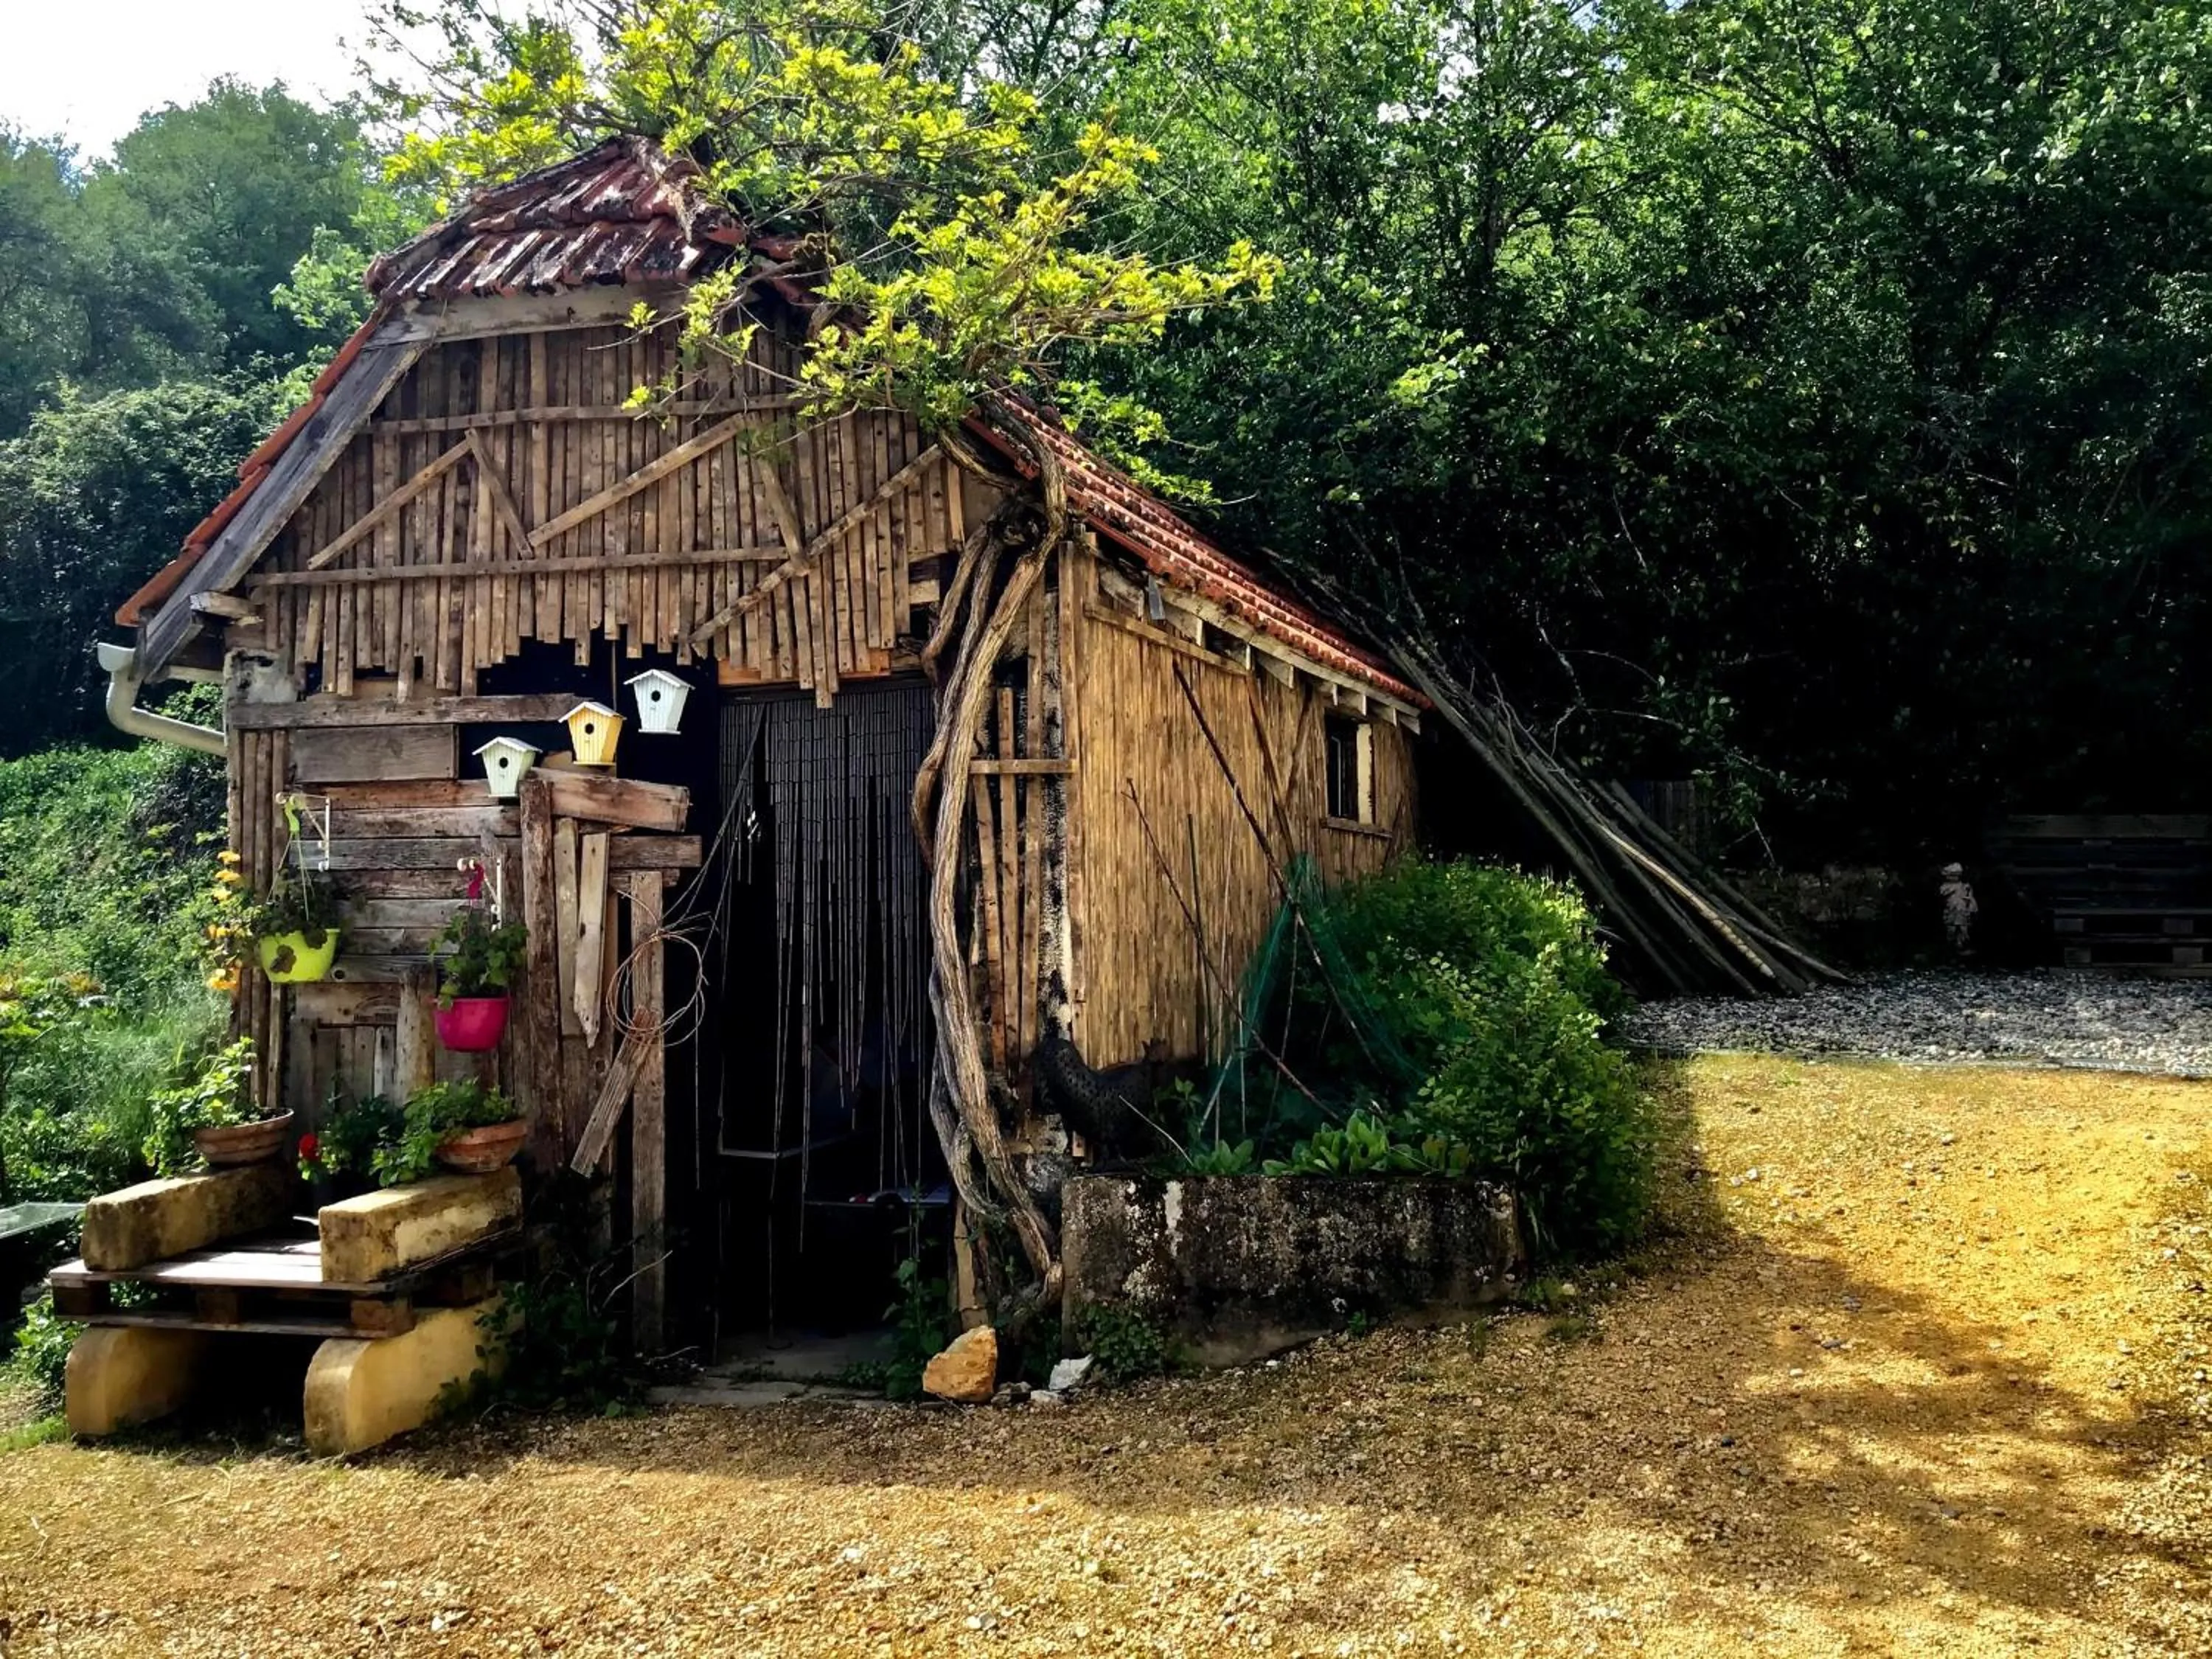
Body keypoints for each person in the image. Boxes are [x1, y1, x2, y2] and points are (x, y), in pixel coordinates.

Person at [1939, 862, 1978, 957]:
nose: (1953, 878)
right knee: (1951, 930)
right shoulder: (1945, 887)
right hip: (1951, 912)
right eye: (1951, 876)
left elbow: (1970, 898)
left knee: (1963, 930)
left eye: (1955, 876)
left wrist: (1970, 905)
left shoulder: (1965, 886)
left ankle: (1961, 946)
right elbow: (1943, 894)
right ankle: (1951, 949)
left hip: (1962, 913)